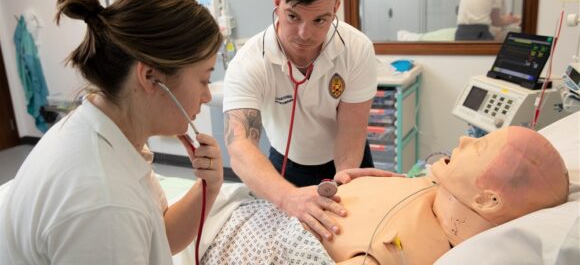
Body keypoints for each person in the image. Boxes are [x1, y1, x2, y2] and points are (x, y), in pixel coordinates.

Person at [0, 0, 224, 264]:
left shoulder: (103, 130)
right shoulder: (105, 204)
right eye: (204, 79)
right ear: (151, 77)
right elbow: (120, 221)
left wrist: (209, 187)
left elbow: (158, 236)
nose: (207, 95)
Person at [200, 126, 569, 264]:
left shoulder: (413, 249)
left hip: (218, 238)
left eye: (480, 146)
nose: (464, 139)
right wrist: (353, 183)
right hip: (245, 208)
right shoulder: (431, 188)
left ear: (488, 200)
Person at [223, 0, 392, 242]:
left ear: (336, 7)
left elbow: (351, 130)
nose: (305, 34)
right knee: (289, 241)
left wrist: (343, 183)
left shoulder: (357, 49)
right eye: (293, 16)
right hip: (287, 163)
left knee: (352, 236)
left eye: (319, 20)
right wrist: (288, 197)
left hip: (347, 157)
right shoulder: (251, 62)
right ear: (277, 1)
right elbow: (240, 146)